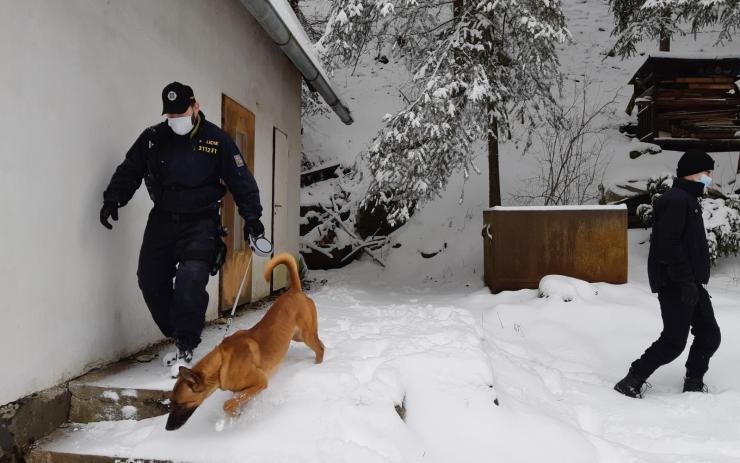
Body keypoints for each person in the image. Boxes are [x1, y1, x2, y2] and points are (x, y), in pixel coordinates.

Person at [100, 82, 264, 367]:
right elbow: (131, 169)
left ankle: (186, 343)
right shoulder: (153, 138)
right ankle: (177, 330)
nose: (176, 121)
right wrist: (114, 199)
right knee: (149, 279)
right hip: (162, 219)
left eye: (181, 114)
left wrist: (253, 219)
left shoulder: (217, 140)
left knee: (191, 279)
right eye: (171, 117)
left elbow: (241, 180)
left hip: (201, 222)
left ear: (195, 106)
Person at [615, 150, 721, 398]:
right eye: (707, 173)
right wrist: (685, 282)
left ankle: (693, 382)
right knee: (674, 341)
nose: (709, 177)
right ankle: (631, 380)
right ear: (693, 173)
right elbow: (668, 245)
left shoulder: (688, 199)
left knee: (709, 334)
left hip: (691, 283)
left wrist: (693, 282)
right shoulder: (676, 200)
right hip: (676, 283)